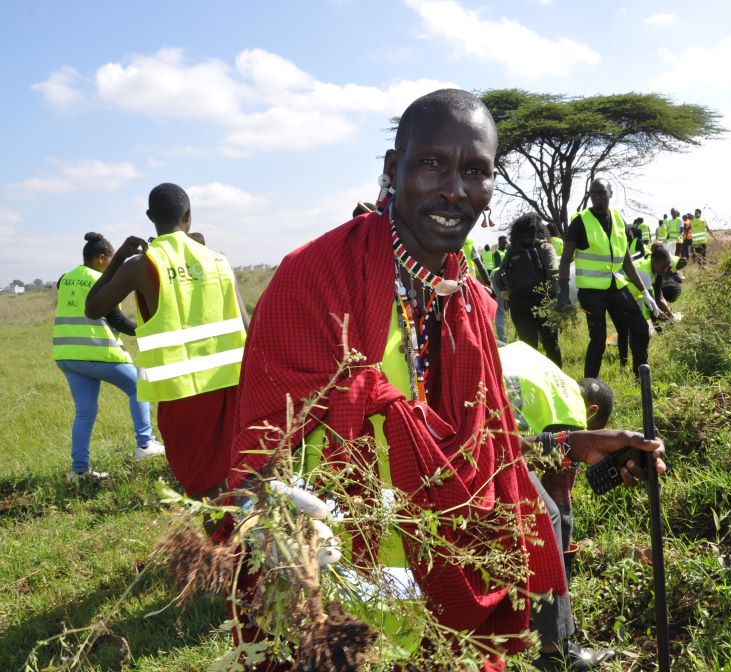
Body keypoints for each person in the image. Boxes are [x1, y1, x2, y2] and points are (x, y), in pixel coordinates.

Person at [227, 89, 664, 670]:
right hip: (343, 586)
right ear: (392, 169)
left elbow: (487, 451)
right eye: (431, 162)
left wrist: (577, 445)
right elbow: (258, 464)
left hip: (452, 584)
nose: (454, 189)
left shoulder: (473, 305)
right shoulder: (316, 281)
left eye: (475, 172)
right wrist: (293, 561)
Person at [85, 183, 249, 499]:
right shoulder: (218, 259)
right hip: (231, 386)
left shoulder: (142, 265)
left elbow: (93, 308)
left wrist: (119, 257)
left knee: (204, 490)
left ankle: (220, 545)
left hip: (181, 393)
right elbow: (246, 325)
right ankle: (243, 542)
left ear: (150, 217)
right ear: (188, 215)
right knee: (238, 475)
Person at [498, 341, 617, 670]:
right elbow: (559, 506)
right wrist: (559, 569)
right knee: (548, 521)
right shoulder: (571, 413)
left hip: (456, 402)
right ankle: (557, 650)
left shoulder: (550, 373)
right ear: (592, 414)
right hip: (490, 434)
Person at [53, 232, 165, 480]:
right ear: (102, 258)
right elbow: (119, 321)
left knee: (85, 412)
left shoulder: (65, 278)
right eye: (112, 259)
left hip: (66, 356)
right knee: (139, 385)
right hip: (97, 351)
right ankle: (145, 444)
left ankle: (80, 471)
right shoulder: (100, 281)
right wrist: (150, 330)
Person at [557, 178, 662, 379]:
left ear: (610, 193)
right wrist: (562, 292)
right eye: (593, 193)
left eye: (601, 192)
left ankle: (641, 376)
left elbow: (626, 260)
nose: (597, 197)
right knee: (598, 340)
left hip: (616, 286)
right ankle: (589, 386)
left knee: (640, 328)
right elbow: (565, 259)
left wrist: (645, 292)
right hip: (591, 291)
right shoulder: (580, 221)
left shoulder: (618, 219)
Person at [497, 212, 562, 366]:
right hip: (543, 303)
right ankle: (558, 382)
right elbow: (554, 275)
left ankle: (531, 385)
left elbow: (499, 276)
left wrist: (508, 294)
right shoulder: (545, 247)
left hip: (519, 305)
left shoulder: (512, 250)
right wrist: (556, 302)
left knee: (528, 348)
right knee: (551, 345)